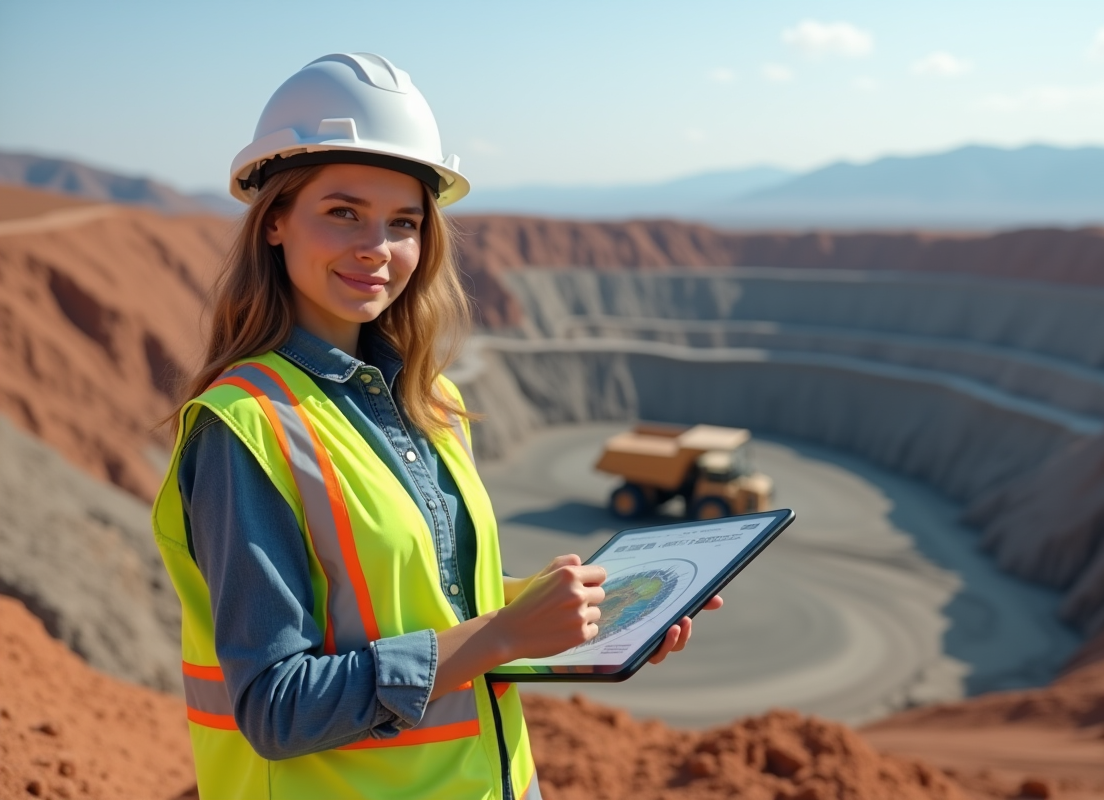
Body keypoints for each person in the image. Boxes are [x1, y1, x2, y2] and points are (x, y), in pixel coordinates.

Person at [151, 52, 720, 800]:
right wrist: (504, 634)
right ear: (276, 222)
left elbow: (430, 606)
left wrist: (577, 612)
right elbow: (277, 708)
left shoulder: (430, 402)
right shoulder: (245, 428)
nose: (377, 248)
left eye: (404, 223)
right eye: (344, 212)